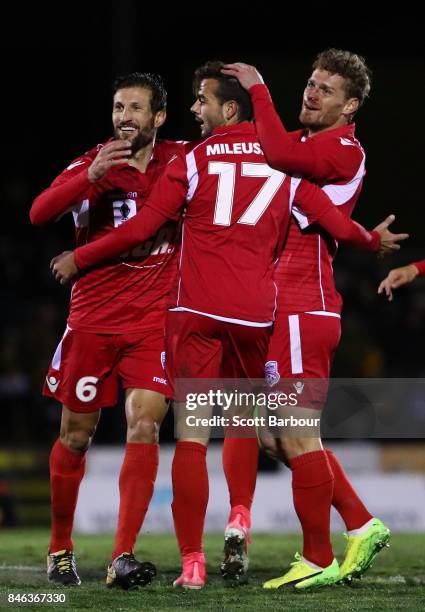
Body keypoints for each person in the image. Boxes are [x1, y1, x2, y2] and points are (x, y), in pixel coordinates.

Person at [50, 61, 405, 589]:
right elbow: (331, 219)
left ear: (227, 108)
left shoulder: (218, 158)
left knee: (232, 434)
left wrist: (82, 258)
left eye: (202, 100)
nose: (196, 108)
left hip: (248, 311)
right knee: (260, 430)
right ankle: (246, 518)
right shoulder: (286, 160)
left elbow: (146, 225)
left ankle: (217, 558)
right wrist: (371, 242)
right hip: (259, 313)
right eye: (308, 82)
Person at [223, 50, 399, 588]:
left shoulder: (342, 148)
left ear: (350, 108)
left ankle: (318, 556)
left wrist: (257, 88)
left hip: (305, 306)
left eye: (327, 89)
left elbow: (274, 152)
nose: (312, 92)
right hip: (279, 311)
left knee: (295, 434)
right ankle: (362, 524)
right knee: (277, 438)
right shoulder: (303, 148)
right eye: (311, 82)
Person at [30, 72, 183, 589]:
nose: (125, 117)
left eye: (136, 108)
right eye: (119, 107)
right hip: (92, 322)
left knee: (144, 424)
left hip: (151, 323)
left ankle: (123, 556)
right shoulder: (92, 163)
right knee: (77, 434)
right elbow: (39, 212)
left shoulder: (181, 162)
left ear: (158, 117)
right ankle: (59, 549)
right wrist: (89, 176)